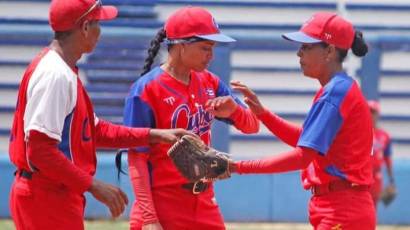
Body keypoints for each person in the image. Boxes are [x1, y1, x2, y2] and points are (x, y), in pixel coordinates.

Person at [8, 0, 191, 229]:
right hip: (46, 196)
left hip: (52, 193)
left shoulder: (62, 69)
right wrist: (93, 185)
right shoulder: (55, 75)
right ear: (85, 28)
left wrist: (155, 134)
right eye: (98, 23)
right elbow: (40, 151)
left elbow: (94, 131)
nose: (100, 31)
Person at [228, 12, 375, 229]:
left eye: (306, 47)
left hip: (342, 208)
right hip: (338, 204)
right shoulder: (337, 89)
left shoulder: (336, 92)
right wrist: (262, 114)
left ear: (330, 51)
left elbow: (302, 156)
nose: (299, 53)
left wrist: (236, 166)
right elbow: (306, 141)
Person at [121, 6, 260, 230]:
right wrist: (148, 217)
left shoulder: (210, 82)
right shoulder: (146, 90)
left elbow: (253, 126)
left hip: (204, 202)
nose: (211, 55)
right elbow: (137, 157)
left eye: (213, 47)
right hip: (162, 203)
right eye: (205, 47)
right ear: (181, 46)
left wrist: (234, 110)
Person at [368, 100, 395, 207]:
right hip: (361, 175)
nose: (371, 114)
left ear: (377, 114)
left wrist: (391, 180)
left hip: (376, 176)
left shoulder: (384, 136)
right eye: (369, 111)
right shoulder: (357, 132)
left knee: (373, 207)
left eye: (373, 112)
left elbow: (387, 158)